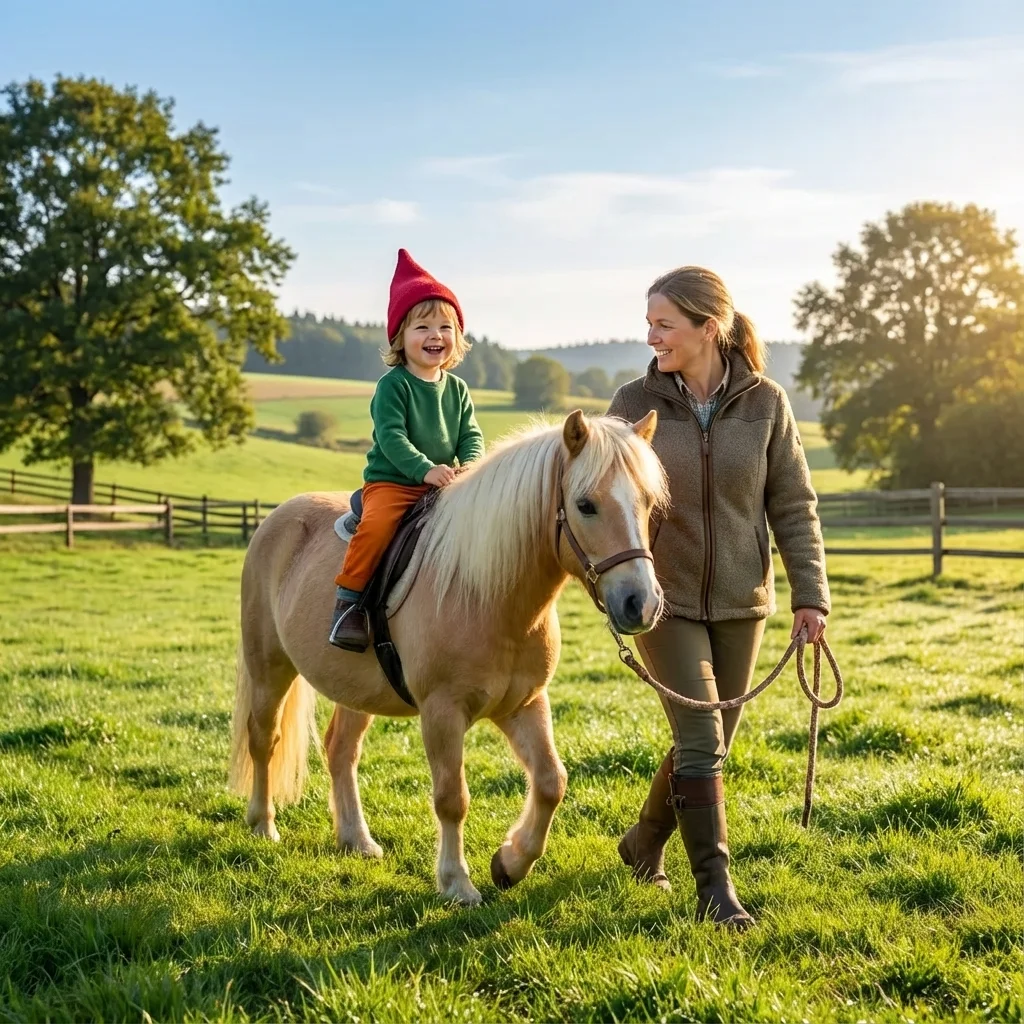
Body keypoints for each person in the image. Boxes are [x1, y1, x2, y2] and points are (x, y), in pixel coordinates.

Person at [607, 266, 830, 929]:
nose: (652, 336)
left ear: (709, 328)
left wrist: (808, 596)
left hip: (741, 600)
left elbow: (792, 504)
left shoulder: (765, 402)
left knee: (703, 744)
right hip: (663, 601)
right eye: (649, 323)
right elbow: (602, 496)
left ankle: (644, 842)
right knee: (702, 739)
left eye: (664, 324)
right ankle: (716, 890)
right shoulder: (632, 402)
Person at [329, 249, 484, 652]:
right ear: (399, 336)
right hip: (395, 483)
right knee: (377, 527)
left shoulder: (458, 389)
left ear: (458, 337)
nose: (435, 336)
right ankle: (349, 603)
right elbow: (393, 439)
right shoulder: (393, 386)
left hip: (447, 483)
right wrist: (425, 469)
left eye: (445, 326)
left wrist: (471, 465)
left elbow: (470, 434)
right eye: (422, 326)